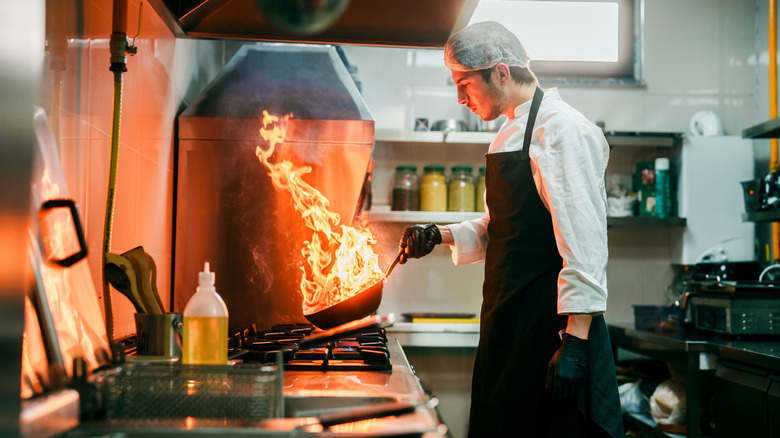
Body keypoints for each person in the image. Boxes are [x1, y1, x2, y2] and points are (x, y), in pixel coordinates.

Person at [398, 22, 623, 438]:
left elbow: (585, 242)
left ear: (501, 72)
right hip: (506, 319)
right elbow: (501, 227)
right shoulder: (507, 132)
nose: (460, 97)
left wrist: (575, 341)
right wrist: (439, 234)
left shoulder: (561, 129)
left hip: (548, 329)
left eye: (465, 83)